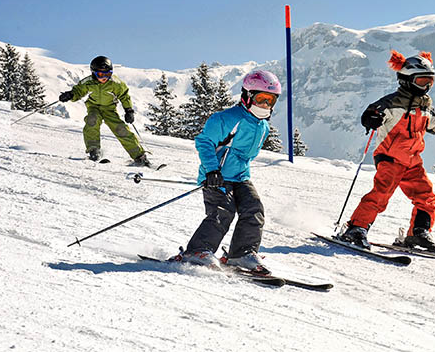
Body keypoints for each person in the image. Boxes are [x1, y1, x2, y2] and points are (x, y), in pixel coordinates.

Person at [336, 51, 435, 254]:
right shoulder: (392, 102)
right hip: (390, 157)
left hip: (412, 161)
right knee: (381, 194)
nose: (427, 86)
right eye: (422, 81)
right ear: (406, 80)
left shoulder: (424, 107)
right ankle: (356, 229)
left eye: (430, 81)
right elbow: (369, 114)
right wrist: (371, 118)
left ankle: (418, 233)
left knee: (426, 196)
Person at [172, 70, 281, 274]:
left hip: (241, 176)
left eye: (270, 100)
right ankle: (197, 251)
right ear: (247, 96)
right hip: (216, 175)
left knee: (254, 209)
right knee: (223, 211)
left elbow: (246, 155)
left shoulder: (263, 126)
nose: (265, 105)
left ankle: (242, 254)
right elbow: (204, 142)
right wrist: (212, 170)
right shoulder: (226, 119)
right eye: (261, 99)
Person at [58, 56, 151, 166]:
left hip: (109, 109)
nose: (104, 78)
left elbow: (124, 95)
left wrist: (129, 110)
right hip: (94, 107)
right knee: (92, 120)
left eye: (107, 74)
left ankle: (139, 156)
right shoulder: (88, 82)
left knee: (121, 129)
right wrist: (70, 95)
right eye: (101, 75)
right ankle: (94, 150)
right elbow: (78, 91)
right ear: (93, 73)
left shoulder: (115, 83)